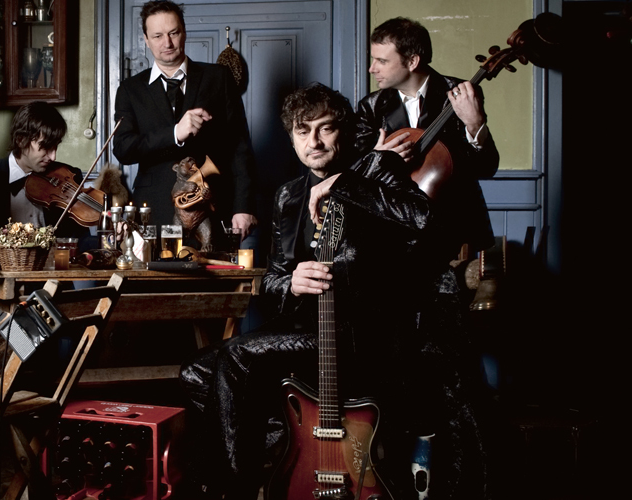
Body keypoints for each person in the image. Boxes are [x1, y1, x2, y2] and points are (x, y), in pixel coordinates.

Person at [179, 83, 486, 500]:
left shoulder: (377, 171)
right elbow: (272, 280)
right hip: (307, 329)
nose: (315, 142)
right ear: (291, 138)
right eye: (303, 131)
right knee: (195, 372)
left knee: (237, 356)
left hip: (366, 331)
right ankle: (279, 451)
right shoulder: (288, 195)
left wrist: (346, 185)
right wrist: (292, 282)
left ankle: (232, 492)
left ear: (344, 133)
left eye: (326, 129)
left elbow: (426, 221)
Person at [113, 0, 257, 240]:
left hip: (213, 206)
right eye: (157, 36)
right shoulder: (130, 90)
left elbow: (239, 147)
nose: (167, 43)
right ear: (146, 39)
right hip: (154, 210)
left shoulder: (219, 78)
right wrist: (174, 134)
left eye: (173, 33)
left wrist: (243, 207)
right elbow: (123, 149)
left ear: (184, 32)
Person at [357, 17, 499, 255]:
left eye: (381, 61)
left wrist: (475, 124)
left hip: (453, 231)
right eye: (374, 59)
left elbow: (486, 168)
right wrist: (377, 157)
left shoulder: (460, 94)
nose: (372, 68)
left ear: (412, 61)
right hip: (393, 231)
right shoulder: (371, 106)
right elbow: (355, 175)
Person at [0, 101, 90, 265]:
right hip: (0, 275)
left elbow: (81, 238)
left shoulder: (68, 176)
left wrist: (108, 233)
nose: (53, 157)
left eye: (56, 146)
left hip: (55, 276)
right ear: (21, 140)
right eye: (45, 147)